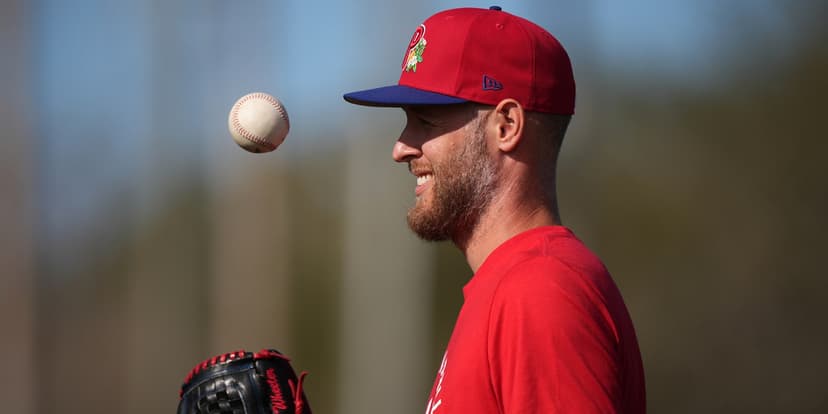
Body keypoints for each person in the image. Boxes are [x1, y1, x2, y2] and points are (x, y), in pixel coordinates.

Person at [344, 6, 645, 413]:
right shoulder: (509, 286)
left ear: (506, 126)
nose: (401, 148)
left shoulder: (539, 291)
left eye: (426, 122)